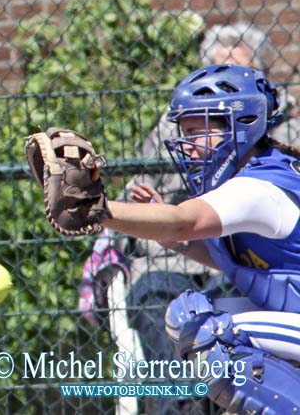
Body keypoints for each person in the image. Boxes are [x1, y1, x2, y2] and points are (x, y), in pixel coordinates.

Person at [80, 23, 299, 414]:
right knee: (189, 314)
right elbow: (236, 262)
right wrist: (172, 239)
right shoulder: (247, 177)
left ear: (241, 128)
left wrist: (97, 208)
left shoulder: (259, 186)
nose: (189, 145)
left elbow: (184, 219)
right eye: (186, 131)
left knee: (213, 334)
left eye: (200, 131)